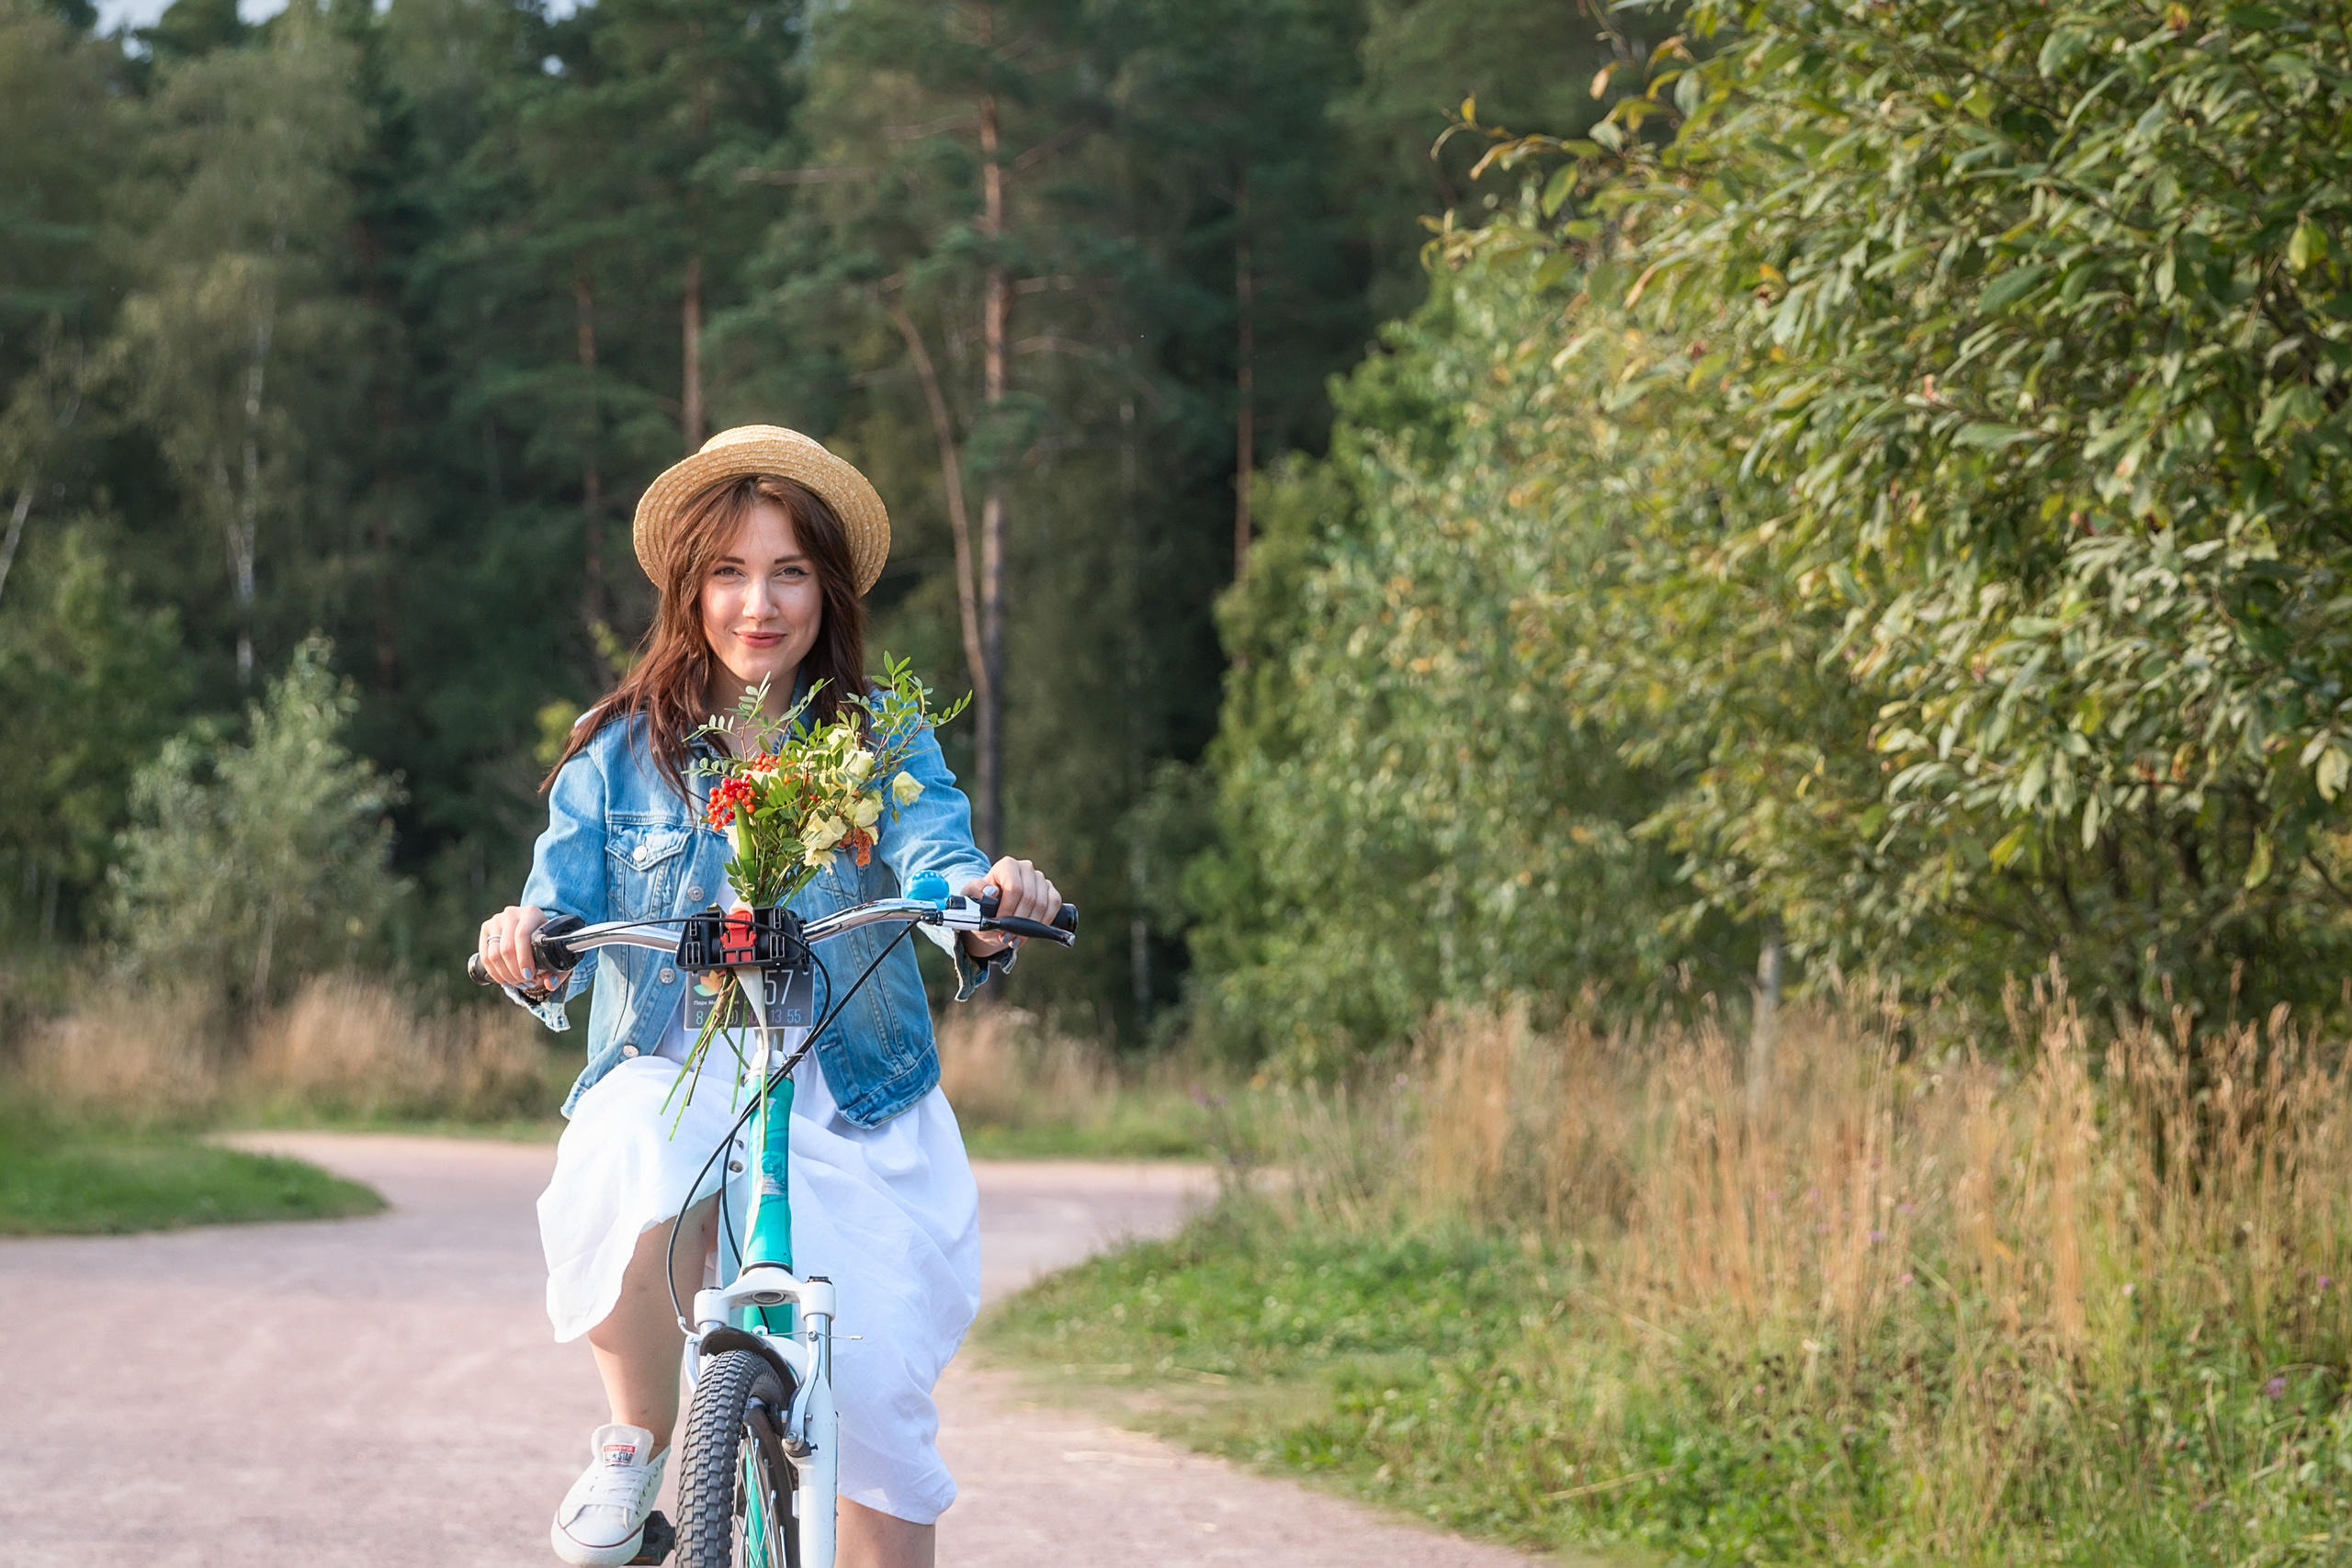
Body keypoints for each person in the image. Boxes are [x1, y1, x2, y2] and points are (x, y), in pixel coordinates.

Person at [476, 425, 1060, 1568]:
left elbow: (940, 859)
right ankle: (640, 1446)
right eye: (730, 572)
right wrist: (524, 939)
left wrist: (987, 898)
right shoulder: (615, 753)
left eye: (789, 571)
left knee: (880, 1398)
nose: (759, 603)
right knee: (622, 1157)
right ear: (689, 588)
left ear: (825, 590)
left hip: (851, 1092)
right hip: (673, 1066)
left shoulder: (879, 736)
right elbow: (556, 910)